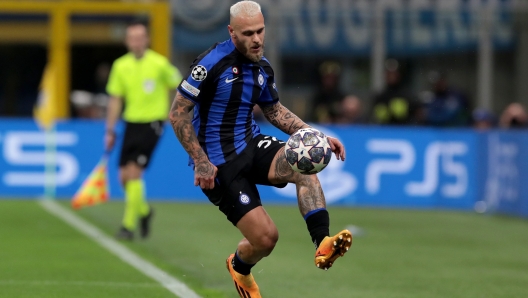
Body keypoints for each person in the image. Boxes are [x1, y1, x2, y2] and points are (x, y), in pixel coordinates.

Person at [169, 1, 352, 297]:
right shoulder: (210, 64)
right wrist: (200, 161)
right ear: (232, 32)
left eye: (260, 31)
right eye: (248, 33)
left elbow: (275, 111)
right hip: (219, 164)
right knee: (266, 239)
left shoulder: (262, 67)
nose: (256, 39)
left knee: (303, 162)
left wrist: (314, 136)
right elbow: (178, 113)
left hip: (252, 144)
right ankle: (239, 267)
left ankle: (322, 244)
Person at [105, 20, 182, 240]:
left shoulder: (159, 64)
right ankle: (145, 212)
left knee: (134, 172)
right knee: (123, 177)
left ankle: (128, 227)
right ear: (127, 41)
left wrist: (177, 113)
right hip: (131, 123)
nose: (137, 42)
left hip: (152, 123)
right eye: (132, 38)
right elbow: (115, 100)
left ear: (146, 40)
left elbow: (181, 87)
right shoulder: (121, 66)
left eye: (140, 38)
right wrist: (110, 130)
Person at [369, 59, 422, 125]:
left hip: (404, 130)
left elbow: (417, 113)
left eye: (393, 74)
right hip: (385, 131)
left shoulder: (407, 95)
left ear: (398, 75)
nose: (391, 76)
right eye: (389, 74)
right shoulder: (380, 96)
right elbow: (373, 116)